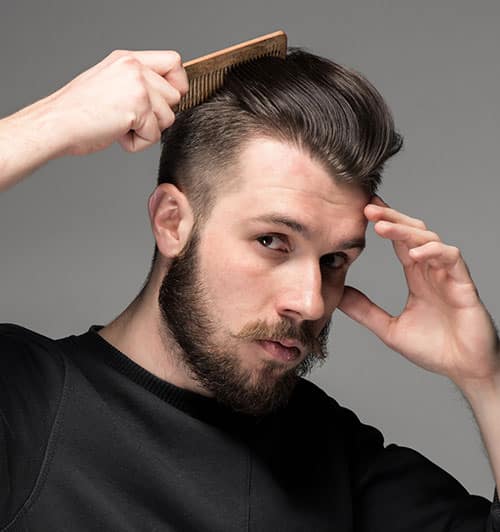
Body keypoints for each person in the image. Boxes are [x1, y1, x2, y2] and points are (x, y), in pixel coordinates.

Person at [0, 47, 499, 531]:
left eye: (334, 260)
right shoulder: (26, 403)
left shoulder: (329, 454)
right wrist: (49, 124)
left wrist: (485, 379)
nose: (308, 302)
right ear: (172, 222)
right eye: (272, 241)